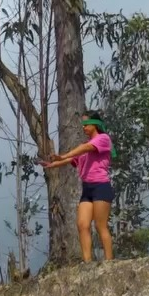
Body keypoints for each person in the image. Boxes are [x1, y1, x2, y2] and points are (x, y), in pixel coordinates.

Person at [39, 111, 114, 262]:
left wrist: (63, 155)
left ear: (96, 124)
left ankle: (109, 262)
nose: (84, 128)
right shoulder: (84, 146)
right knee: (82, 224)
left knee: (100, 226)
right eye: (83, 125)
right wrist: (52, 164)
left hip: (101, 186)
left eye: (87, 124)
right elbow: (72, 158)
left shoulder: (103, 139)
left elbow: (83, 150)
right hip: (87, 189)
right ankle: (87, 263)